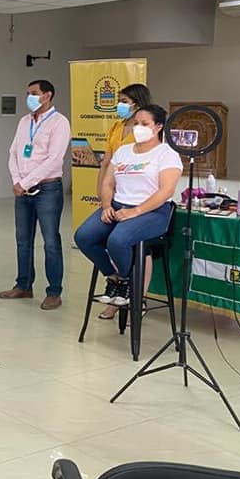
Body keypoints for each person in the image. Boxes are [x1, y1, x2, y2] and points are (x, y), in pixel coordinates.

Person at [74, 105, 182, 308]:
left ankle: (127, 282)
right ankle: (114, 277)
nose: (138, 128)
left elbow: (166, 190)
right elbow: (108, 183)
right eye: (136, 123)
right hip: (118, 205)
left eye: (144, 124)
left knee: (117, 240)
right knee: (84, 237)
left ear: (158, 127)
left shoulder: (167, 154)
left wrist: (136, 211)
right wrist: (107, 206)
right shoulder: (123, 151)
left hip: (151, 211)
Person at [0, 79, 71, 311]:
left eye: (34, 93)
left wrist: (26, 182)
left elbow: (54, 159)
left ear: (47, 95)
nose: (29, 97)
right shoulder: (24, 121)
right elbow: (13, 152)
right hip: (22, 190)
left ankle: (54, 292)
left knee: (50, 241)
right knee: (23, 240)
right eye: (28, 93)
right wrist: (17, 180)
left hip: (47, 189)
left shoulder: (59, 122)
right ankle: (23, 285)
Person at [93, 83, 153, 320]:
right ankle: (117, 291)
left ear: (137, 104)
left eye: (124, 101)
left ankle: (139, 299)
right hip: (114, 195)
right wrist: (102, 193)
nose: (119, 105)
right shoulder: (116, 127)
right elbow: (106, 162)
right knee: (107, 242)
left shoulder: (145, 131)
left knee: (141, 250)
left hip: (137, 197)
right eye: (119, 100)